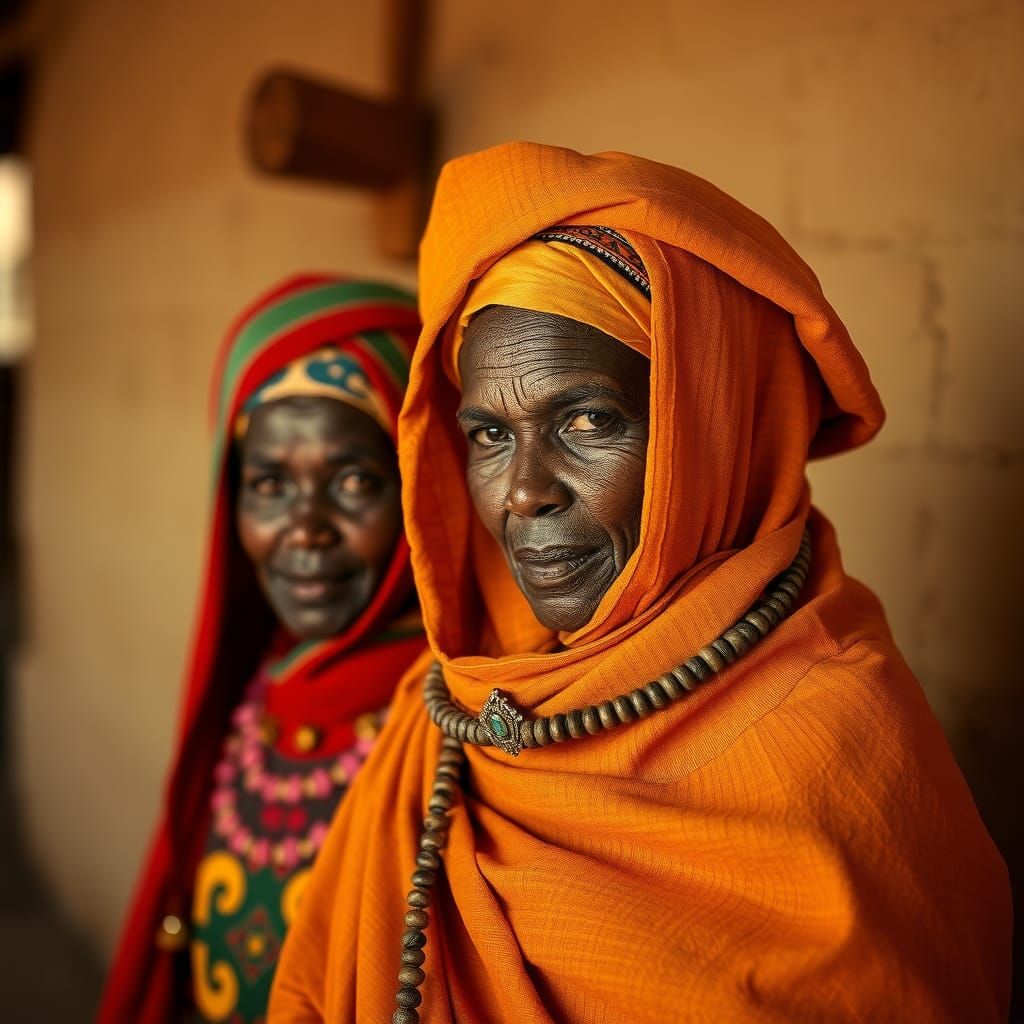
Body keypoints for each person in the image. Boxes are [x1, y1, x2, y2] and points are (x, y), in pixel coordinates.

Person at [269, 145, 1012, 1023]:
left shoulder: (843, 760)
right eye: (490, 435)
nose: (522, 493)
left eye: (589, 419)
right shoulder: (449, 708)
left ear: (715, 430)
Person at [98, 275, 425, 1023]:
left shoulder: (467, 725)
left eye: (354, 480)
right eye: (271, 484)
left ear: (421, 482)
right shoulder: (262, 690)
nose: (305, 530)